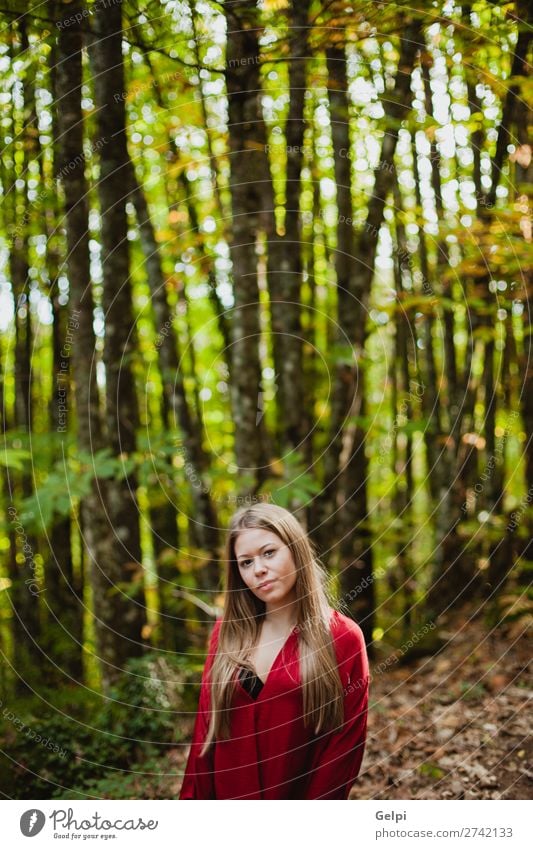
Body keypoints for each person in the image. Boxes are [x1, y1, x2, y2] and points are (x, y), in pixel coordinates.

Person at [179, 502, 369, 800]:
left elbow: (343, 748)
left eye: (269, 553)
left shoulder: (343, 638)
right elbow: (205, 732)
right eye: (246, 562)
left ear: (295, 549)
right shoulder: (226, 632)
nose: (259, 570)